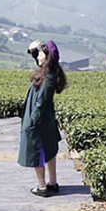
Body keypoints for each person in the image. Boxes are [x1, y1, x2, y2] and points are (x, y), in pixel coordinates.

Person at [18, 40, 67, 197]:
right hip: (45, 120)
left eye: (41, 54)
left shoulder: (48, 78)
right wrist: (33, 49)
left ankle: (42, 187)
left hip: (39, 121)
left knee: (38, 152)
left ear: (47, 58)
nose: (38, 56)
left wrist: (32, 122)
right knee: (49, 150)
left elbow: (41, 102)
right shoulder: (48, 72)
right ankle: (52, 183)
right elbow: (39, 59)